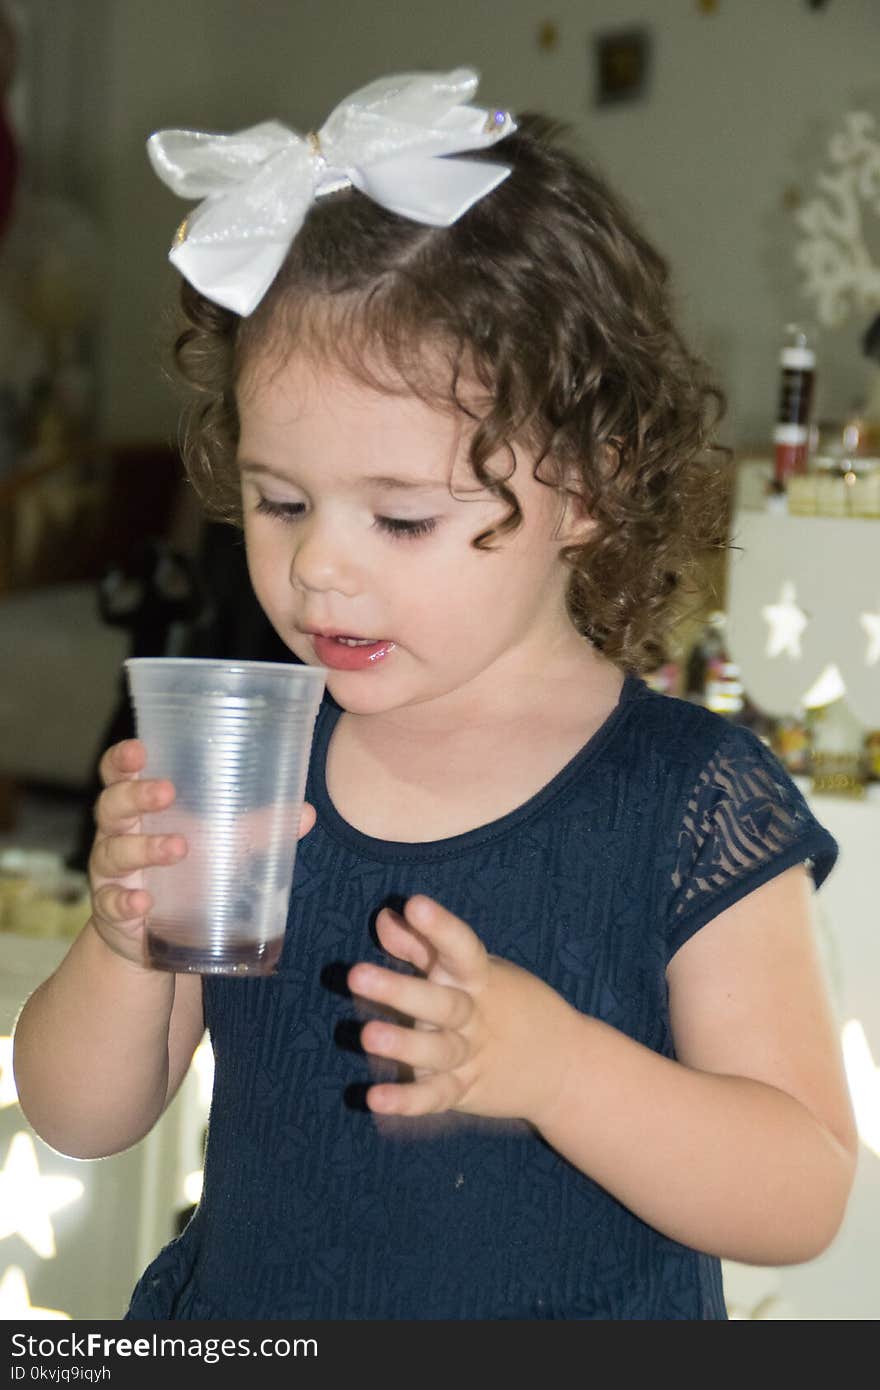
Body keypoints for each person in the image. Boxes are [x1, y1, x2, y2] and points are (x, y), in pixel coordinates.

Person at [12, 69, 857, 1321]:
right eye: (281, 500)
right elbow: (81, 1117)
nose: (315, 565)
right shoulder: (263, 778)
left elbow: (801, 1190)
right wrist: (123, 940)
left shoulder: (683, 796)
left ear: (584, 489)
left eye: (399, 516)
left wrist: (559, 1070)